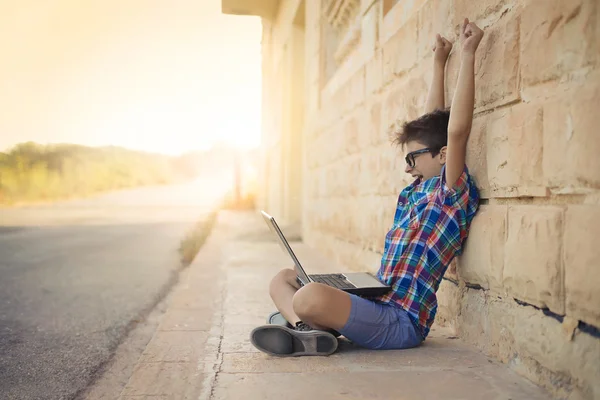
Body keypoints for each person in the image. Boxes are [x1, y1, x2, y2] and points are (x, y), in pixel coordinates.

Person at [250, 18, 484, 357]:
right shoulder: (415, 189)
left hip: (400, 321)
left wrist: (468, 53)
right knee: (282, 279)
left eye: (413, 158)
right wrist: (438, 62)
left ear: (444, 155)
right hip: (377, 300)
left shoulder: (450, 192)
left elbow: (455, 129)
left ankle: (306, 322)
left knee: (308, 296)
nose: (407, 167)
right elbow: (435, 123)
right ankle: (309, 331)